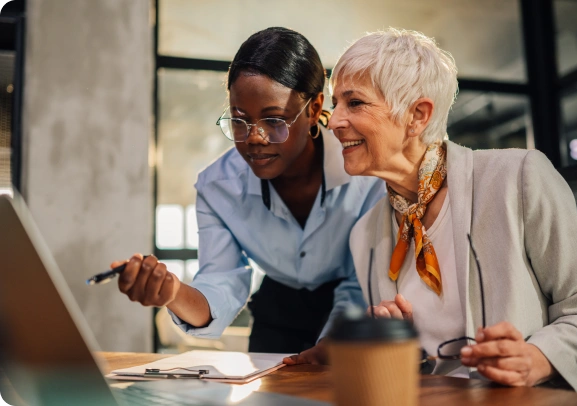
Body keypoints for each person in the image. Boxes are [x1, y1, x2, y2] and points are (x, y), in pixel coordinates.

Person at [322, 28, 577, 392]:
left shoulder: (518, 177)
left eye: (355, 103)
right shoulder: (364, 234)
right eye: (336, 104)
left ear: (417, 115)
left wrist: (538, 358)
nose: (333, 121)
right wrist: (393, 348)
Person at [110, 27, 384, 355]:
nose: (254, 137)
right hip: (277, 312)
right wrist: (172, 293)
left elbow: (360, 285)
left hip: (356, 313)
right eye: (240, 121)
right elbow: (220, 283)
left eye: (274, 120)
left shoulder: (367, 177)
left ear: (313, 110)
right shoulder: (218, 188)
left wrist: (329, 348)